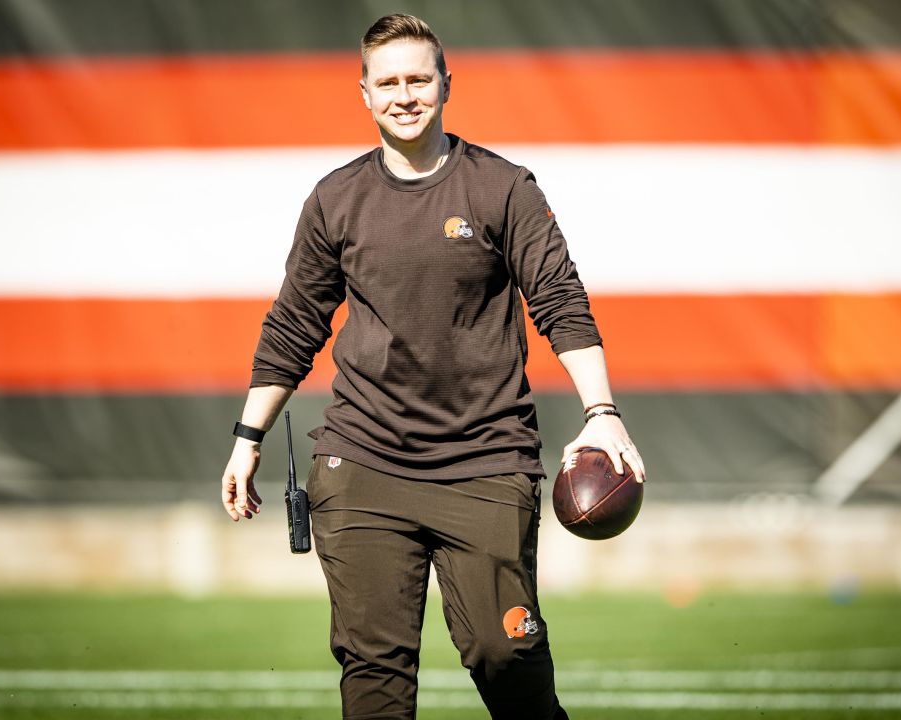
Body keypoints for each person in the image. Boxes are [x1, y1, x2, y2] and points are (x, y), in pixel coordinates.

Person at [219, 13, 646, 719]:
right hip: (362, 465)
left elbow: (560, 301)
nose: (405, 94)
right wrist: (247, 438)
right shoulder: (335, 199)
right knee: (374, 675)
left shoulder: (503, 188)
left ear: (447, 84)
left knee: (504, 654)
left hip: (485, 461)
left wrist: (603, 415)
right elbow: (294, 324)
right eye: (387, 82)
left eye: (419, 79)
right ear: (363, 93)